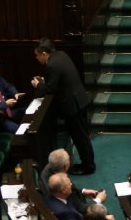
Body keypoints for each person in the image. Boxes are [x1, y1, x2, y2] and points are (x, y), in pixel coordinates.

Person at [31, 39, 95, 175]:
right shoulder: (61, 54)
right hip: (79, 99)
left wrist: (37, 85)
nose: (36, 58)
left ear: (43, 53)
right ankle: (88, 163)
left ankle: (88, 166)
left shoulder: (51, 65)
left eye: (37, 55)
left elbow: (50, 88)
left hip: (72, 105)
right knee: (82, 136)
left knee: (80, 137)